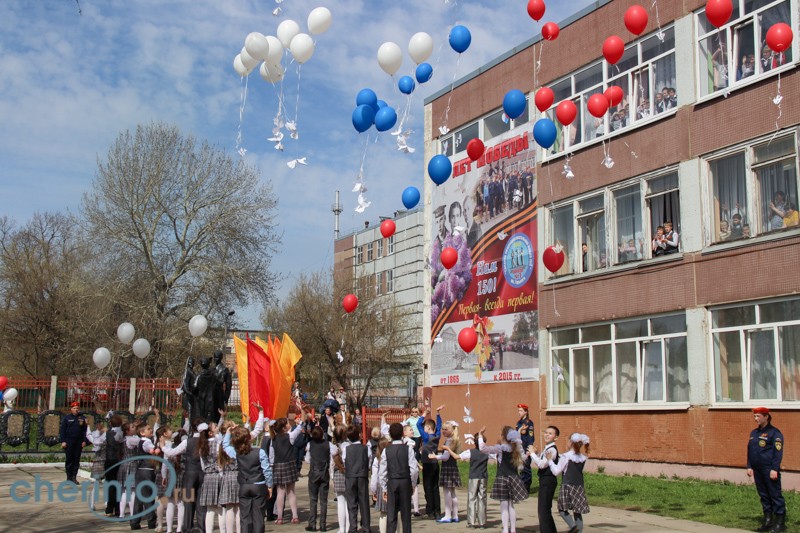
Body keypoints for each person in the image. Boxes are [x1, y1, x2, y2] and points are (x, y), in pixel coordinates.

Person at [223, 425, 273, 533]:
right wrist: (269, 486)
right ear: (249, 438)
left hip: (244, 485)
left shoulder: (236, 452)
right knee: (258, 516)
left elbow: (225, 445)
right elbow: (267, 471)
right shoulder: (259, 452)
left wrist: (228, 432)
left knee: (245, 517)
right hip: (259, 484)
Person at [478, 426, 528, 533]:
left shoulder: (501, 448)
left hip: (502, 477)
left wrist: (480, 436)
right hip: (514, 478)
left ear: (503, 436)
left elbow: (482, 448)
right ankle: (513, 529)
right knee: (511, 505)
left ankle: (505, 530)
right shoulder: (517, 448)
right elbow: (524, 459)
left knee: (504, 506)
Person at [746, 407, 786, 533]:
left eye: (758, 416)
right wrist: (749, 466)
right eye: (755, 416)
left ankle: (780, 522)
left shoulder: (774, 433)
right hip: (757, 470)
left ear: (766, 417)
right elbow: (750, 451)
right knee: (763, 495)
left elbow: (777, 452)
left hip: (769, 470)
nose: (756, 419)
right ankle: (768, 520)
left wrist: (774, 468)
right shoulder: (754, 433)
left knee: (775, 495)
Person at [549, 433, 591, 533]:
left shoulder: (566, 457)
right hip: (579, 487)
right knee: (577, 512)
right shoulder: (582, 458)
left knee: (562, 510)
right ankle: (578, 531)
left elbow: (556, 472)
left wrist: (550, 461)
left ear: (570, 442)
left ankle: (573, 527)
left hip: (567, 486)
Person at [380, 423, 418, 533]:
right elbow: (414, 469)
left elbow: (382, 472)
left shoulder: (386, 450)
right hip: (405, 481)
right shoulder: (408, 449)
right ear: (402, 433)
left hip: (392, 482)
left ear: (390, 435)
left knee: (391, 514)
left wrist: (384, 487)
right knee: (406, 515)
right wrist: (413, 483)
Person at [451, 433, 488, 529]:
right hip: (483, 477)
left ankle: (471, 522)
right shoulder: (487, 452)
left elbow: (456, 457)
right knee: (482, 499)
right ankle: (482, 522)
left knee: (472, 498)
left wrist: (448, 449)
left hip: (474, 477)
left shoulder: (471, 452)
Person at [271, 417, 304, 523]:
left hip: (278, 465)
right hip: (289, 464)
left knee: (280, 492)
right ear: (285, 427)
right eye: (288, 423)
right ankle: (295, 516)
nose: (290, 424)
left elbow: (272, 455)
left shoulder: (273, 439)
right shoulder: (289, 436)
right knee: (291, 492)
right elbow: (300, 428)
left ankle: (279, 517)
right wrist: (301, 420)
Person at [529, 426, 560, 533]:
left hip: (548, 480)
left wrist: (532, 453)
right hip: (544, 480)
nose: (547, 435)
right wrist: (537, 454)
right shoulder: (547, 448)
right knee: (544, 510)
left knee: (543, 510)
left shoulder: (552, 449)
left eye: (550, 433)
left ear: (556, 437)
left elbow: (542, 465)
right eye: (546, 432)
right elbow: (542, 461)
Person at [428, 420, 461, 523]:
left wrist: (435, 456)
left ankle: (447, 515)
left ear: (452, 430)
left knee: (447, 492)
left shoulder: (449, 441)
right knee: (452, 492)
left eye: (446, 429)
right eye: (443, 429)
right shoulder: (454, 440)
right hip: (453, 467)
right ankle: (455, 515)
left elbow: (446, 457)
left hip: (448, 467)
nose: (443, 431)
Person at [344, 424, 371, 533]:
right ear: (359, 435)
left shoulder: (346, 449)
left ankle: (353, 527)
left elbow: (344, 460)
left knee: (351, 503)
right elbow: (369, 461)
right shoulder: (366, 448)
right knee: (364, 502)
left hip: (350, 476)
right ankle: (366, 527)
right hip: (362, 476)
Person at [305, 426, 333, 532]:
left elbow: (307, 460)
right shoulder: (328, 444)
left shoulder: (309, 445)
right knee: (323, 501)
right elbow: (333, 454)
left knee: (313, 500)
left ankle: (312, 524)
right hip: (324, 473)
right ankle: (323, 525)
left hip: (314, 473)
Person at [416, 406, 443, 520]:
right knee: (435, 487)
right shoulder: (437, 436)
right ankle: (437, 510)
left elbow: (418, 424)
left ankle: (430, 510)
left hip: (427, 464)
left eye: (425, 427)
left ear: (427, 428)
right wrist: (437, 414)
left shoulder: (426, 437)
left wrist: (424, 414)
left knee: (428, 488)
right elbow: (439, 426)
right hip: (435, 464)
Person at [60, 401, 88, 484]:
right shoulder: (67, 418)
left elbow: (85, 431)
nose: (76, 410)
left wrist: (84, 441)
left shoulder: (82, 418)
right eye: (74, 408)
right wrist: (63, 441)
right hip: (69, 441)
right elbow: (62, 431)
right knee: (69, 459)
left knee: (76, 459)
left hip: (78, 441)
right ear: (71, 409)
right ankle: (69, 477)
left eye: (77, 408)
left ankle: (74, 477)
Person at [515, 404, 535, 494]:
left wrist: (529, 448)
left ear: (526, 412)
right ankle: (521, 486)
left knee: (526, 467)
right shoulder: (518, 423)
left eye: (521, 411)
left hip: (525, 447)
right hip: (519, 447)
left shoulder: (529, 423)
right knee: (521, 467)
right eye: (518, 411)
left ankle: (526, 486)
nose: (519, 412)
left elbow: (531, 437)